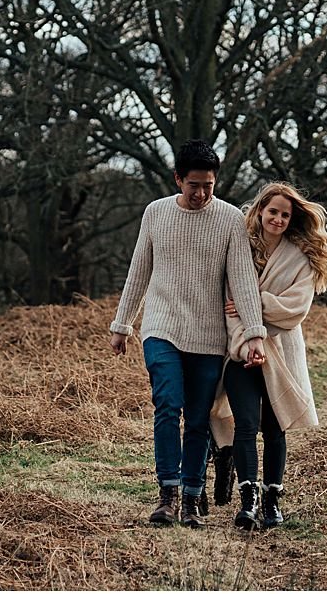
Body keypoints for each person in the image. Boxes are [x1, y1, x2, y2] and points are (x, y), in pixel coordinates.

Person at [109, 139, 267, 528]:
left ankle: (192, 499)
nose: (200, 194)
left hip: (208, 335)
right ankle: (167, 494)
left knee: (198, 418)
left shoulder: (229, 219)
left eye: (208, 186)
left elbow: (243, 279)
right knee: (168, 405)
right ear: (178, 179)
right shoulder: (155, 213)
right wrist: (122, 324)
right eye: (193, 185)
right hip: (161, 326)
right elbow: (139, 269)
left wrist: (255, 332)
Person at [210, 181, 327, 530]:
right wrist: (247, 342)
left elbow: (294, 310)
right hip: (241, 351)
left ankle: (272, 500)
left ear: (292, 219)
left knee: (274, 428)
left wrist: (252, 302)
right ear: (259, 211)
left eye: (285, 215)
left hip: (283, 353)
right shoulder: (237, 248)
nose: (278, 219)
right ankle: (248, 500)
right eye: (272, 211)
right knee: (244, 423)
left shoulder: (299, 258)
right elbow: (227, 309)